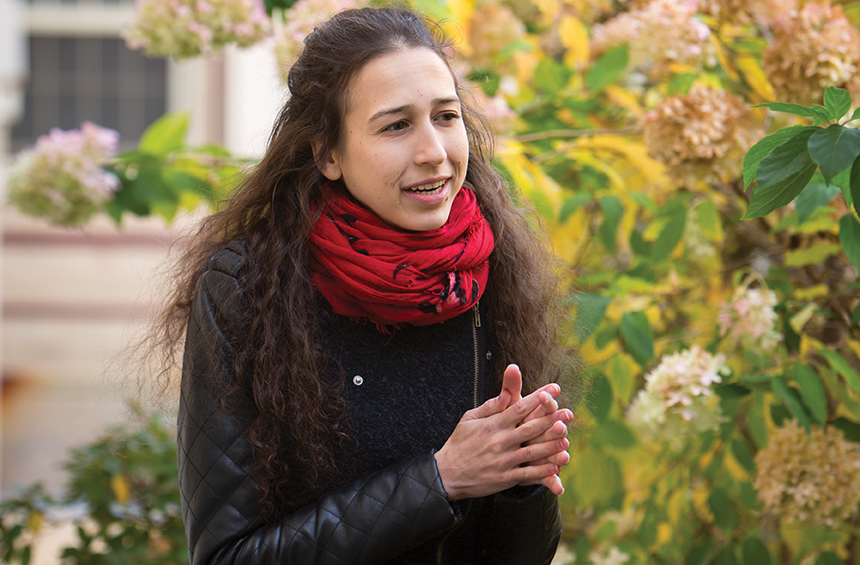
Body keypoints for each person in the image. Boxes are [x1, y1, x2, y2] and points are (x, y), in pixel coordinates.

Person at [168, 6, 576, 564]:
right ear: (328, 153)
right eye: (396, 125)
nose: (433, 151)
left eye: (446, 116)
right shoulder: (245, 288)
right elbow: (227, 557)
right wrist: (439, 481)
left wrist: (520, 479)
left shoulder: (487, 267)